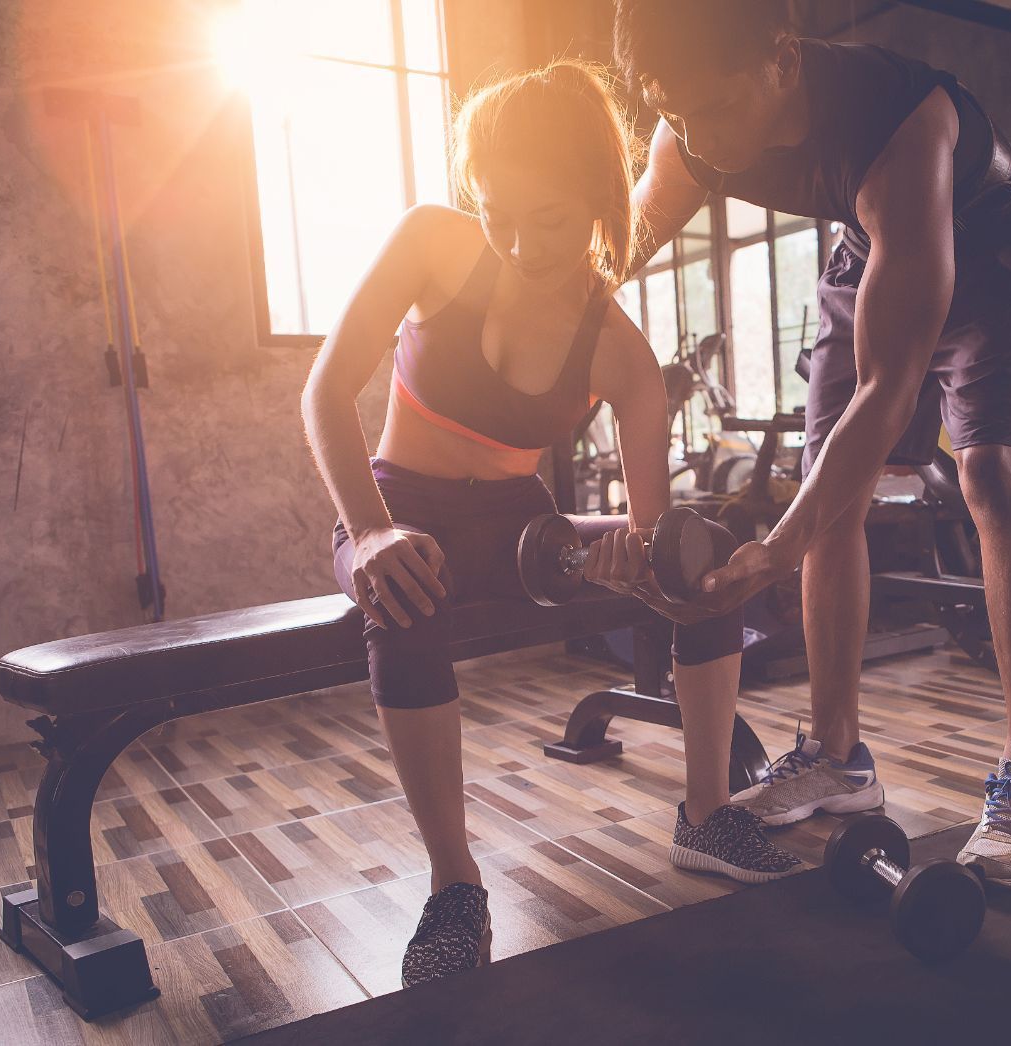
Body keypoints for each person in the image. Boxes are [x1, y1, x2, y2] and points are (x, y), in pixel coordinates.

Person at [301, 60, 798, 987]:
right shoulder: (432, 243)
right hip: (396, 510)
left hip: (520, 531)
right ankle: (455, 890)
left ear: (602, 202)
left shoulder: (615, 347)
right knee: (407, 595)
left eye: (550, 219)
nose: (520, 242)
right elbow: (325, 392)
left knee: (709, 561)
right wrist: (366, 531)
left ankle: (705, 811)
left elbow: (655, 546)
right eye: (498, 212)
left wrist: (633, 564)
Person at [613, 0, 1011, 888]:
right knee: (831, 489)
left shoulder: (901, 130)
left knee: (990, 476)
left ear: (781, 60)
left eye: (711, 107)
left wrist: (778, 550)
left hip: (983, 246)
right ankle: (837, 756)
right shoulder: (690, 134)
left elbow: (885, 393)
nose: (696, 137)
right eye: (675, 113)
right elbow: (598, 259)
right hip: (873, 247)